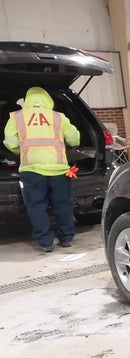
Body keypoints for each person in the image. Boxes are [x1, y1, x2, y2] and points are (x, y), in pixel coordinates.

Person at [3, 86, 80, 252]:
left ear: (27, 99)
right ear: (47, 99)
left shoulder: (16, 117)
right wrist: (69, 145)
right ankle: (66, 238)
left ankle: (46, 242)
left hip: (31, 170)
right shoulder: (59, 117)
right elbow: (74, 138)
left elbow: (10, 142)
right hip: (59, 170)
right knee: (63, 205)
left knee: (36, 206)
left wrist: (21, 150)